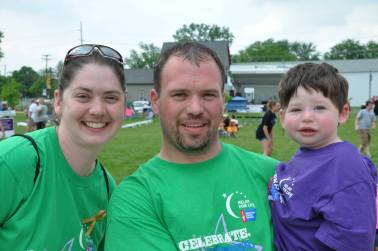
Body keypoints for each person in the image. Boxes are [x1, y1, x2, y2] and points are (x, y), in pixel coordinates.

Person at [105, 42, 279, 250]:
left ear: (222, 100)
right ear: (155, 101)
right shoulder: (136, 199)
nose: (195, 109)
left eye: (208, 95)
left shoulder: (272, 176)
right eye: (180, 95)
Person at [0, 44, 126, 250]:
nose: (97, 109)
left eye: (111, 98)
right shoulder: (13, 163)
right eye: (83, 96)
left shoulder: (107, 188)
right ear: (58, 102)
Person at [269, 62, 377, 250]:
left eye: (319, 107)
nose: (307, 117)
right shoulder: (306, 154)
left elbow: (355, 240)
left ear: (342, 113)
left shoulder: (345, 166)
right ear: (283, 118)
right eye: (296, 109)